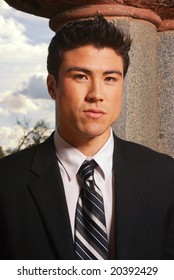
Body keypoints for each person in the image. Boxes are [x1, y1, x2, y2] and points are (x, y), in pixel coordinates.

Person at [0, 14, 174, 260]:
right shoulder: (6, 182)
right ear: (52, 86)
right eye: (81, 76)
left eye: (110, 79)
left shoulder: (166, 176)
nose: (96, 94)